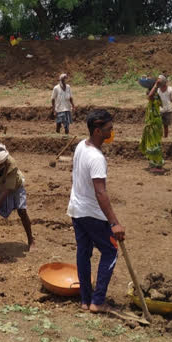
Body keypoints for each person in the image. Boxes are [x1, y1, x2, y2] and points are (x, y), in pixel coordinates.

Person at [67, 109, 125, 313]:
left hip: (76, 209)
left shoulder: (81, 146)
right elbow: (101, 193)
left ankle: (85, 299)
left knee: (83, 253)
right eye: (109, 129)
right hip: (91, 213)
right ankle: (97, 301)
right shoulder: (97, 158)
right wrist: (114, 223)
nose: (112, 132)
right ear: (98, 131)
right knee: (110, 251)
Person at [141, 78, 165, 173]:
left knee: (154, 145)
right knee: (152, 145)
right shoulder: (154, 98)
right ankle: (154, 164)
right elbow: (149, 95)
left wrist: (155, 85)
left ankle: (157, 165)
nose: (147, 94)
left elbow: (150, 95)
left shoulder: (154, 97)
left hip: (154, 124)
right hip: (152, 124)